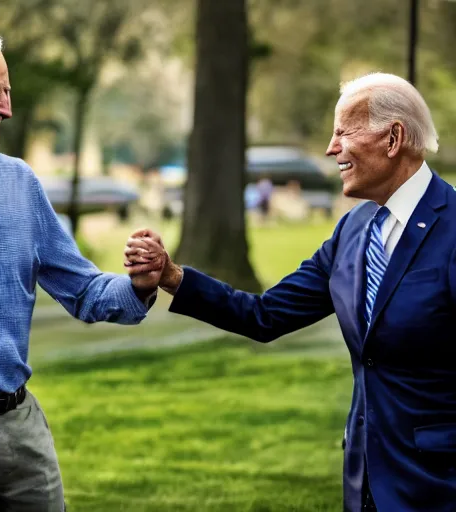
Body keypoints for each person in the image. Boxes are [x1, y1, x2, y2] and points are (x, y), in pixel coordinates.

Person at [125, 72, 456, 511]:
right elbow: (265, 316)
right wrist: (171, 276)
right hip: (365, 486)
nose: (330, 147)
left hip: (439, 487)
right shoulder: (352, 232)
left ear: (393, 138)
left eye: (343, 131)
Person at [0, 28, 160, 512]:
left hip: (22, 430)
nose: (6, 108)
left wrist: (138, 285)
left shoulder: (21, 184)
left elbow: (82, 289)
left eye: (8, 92)